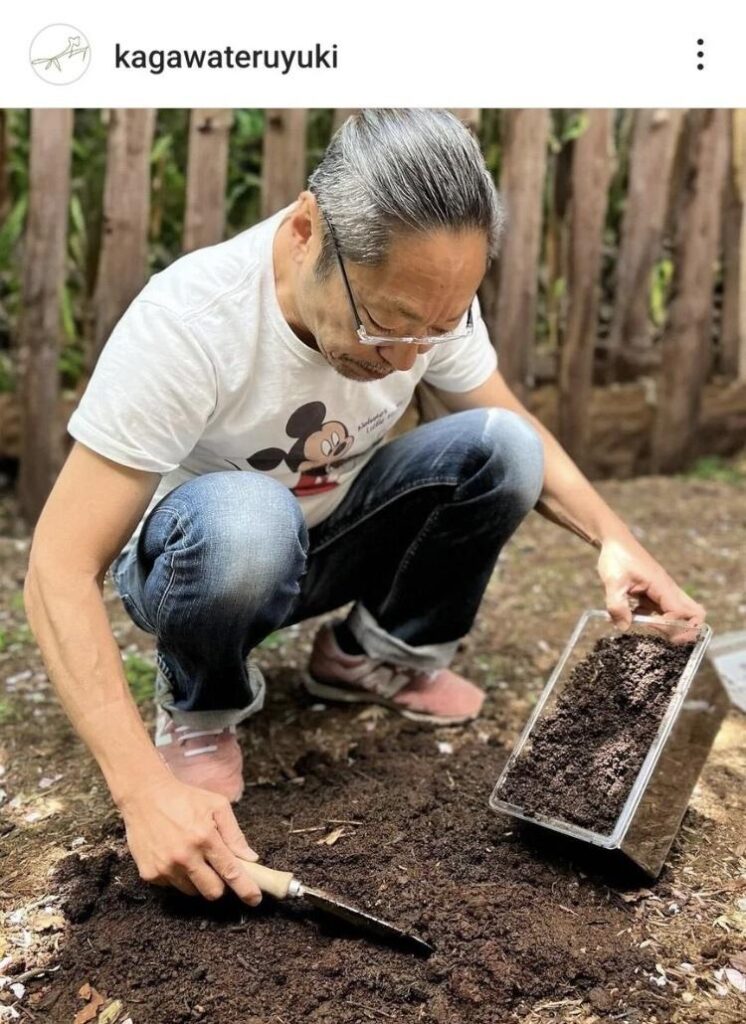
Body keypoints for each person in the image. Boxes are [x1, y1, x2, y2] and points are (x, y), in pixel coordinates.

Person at [23, 109, 705, 908]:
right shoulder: (190, 324)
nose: (409, 355)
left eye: (438, 328)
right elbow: (58, 568)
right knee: (249, 519)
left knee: (501, 445)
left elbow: (505, 418)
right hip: (204, 560)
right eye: (386, 324)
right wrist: (140, 791)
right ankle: (201, 703)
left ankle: (373, 655)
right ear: (308, 229)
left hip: (325, 536)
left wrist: (615, 541)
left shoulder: (426, 293)